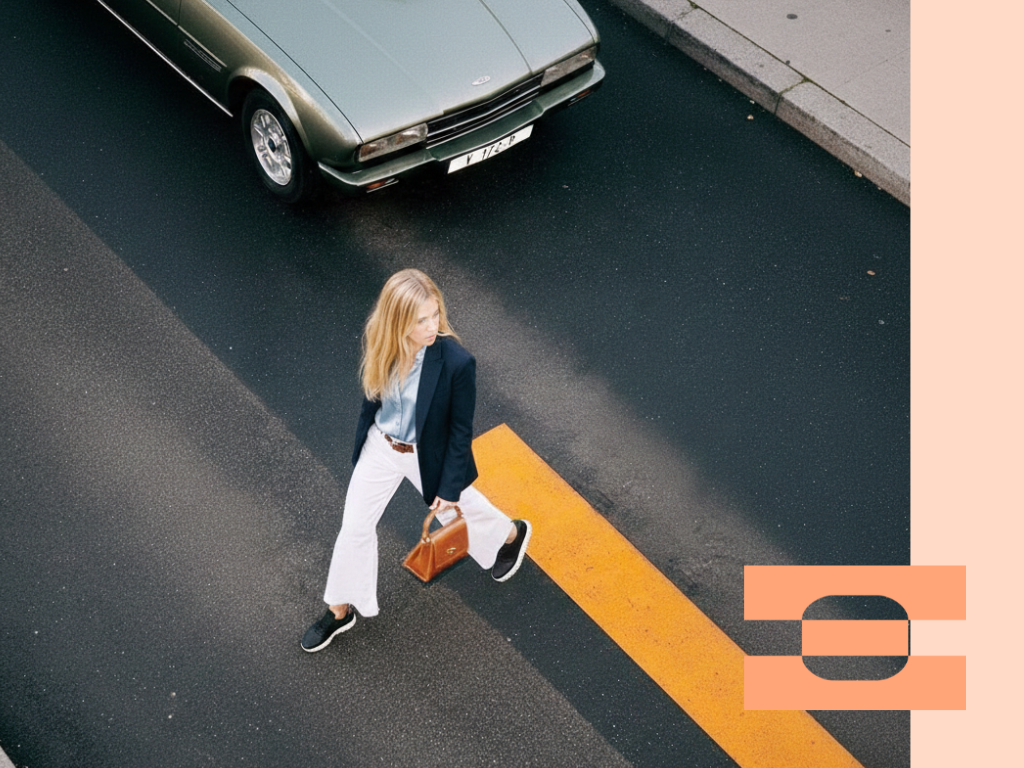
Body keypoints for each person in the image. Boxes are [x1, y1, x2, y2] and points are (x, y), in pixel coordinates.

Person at [301, 269, 531, 652]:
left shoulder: (457, 363)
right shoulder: (383, 342)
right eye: (420, 320)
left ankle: (511, 535)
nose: (432, 326)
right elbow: (374, 395)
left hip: (427, 453)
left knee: (459, 507)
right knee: (355, 526)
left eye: (435, 314)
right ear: (397, 321)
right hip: (382, 446)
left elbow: (460, 431)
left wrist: (448, 487)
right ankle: (339, 610)